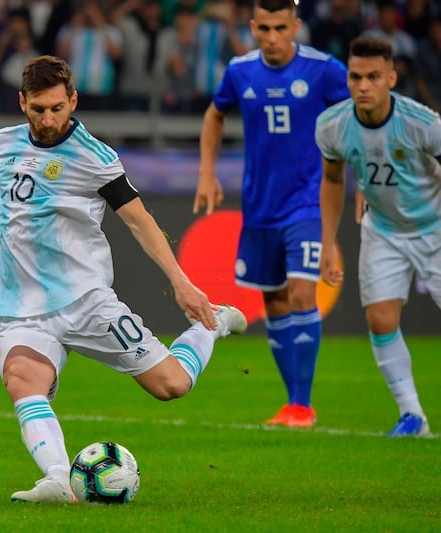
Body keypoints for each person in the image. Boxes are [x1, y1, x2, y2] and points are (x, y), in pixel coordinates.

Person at [0, 55, 247, 503]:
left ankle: (212, 324)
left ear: (73, 100)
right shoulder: (2, 144)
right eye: (38, 109)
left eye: (57, 108)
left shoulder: (94, 158)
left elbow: (140, 221)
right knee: (21, 377)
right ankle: (58, 479)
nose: (48, 119)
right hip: (23, 310)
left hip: (87, 302)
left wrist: (181, 282)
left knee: (172, 386)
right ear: (22, 103)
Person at [193, 0, 349, 428]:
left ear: (296, 26)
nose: (273, 38)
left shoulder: (324, 70)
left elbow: (357, 120)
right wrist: (206, 173)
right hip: (259, 208)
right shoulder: (241, 71)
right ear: (252, 27)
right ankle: (292, 403)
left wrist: (362, 181)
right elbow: (214, 113)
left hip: (307, 203)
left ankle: (302, 403)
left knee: (302, 295)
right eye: (264, 28)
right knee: (275, 300)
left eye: (281, 28)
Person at [316, 36, 441, 437]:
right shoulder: (332, 124)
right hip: (383, 230)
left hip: (434, 228)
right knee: (380, 318)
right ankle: (412, 416)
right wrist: (329, 240)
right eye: (356, 77)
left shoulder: (422, 123)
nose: (363, 85)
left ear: (391, 78)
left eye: (373, 76)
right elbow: (333, 180)